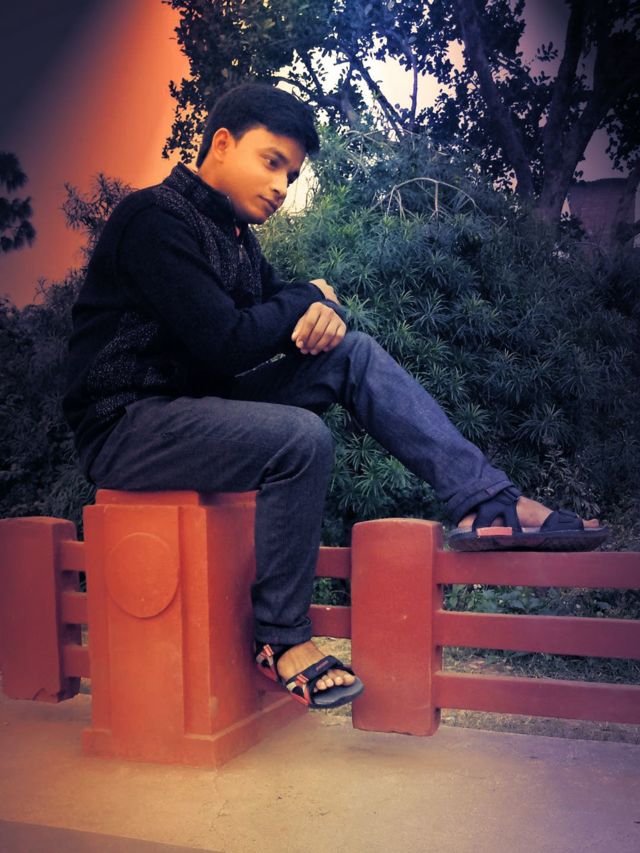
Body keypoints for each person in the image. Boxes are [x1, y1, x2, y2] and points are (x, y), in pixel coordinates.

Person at [62, 82, 608, 710]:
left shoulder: (238, 241)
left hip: (197, 409)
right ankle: (280, 637)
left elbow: (288, 314)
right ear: (222, 143)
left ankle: (486, 501)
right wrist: (309, 297)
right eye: (272, 162)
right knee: (298, 440)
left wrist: (323, 312)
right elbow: (227, 342)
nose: (281, 187)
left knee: (352, 353)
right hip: (125, 423)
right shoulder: (154, 219)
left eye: (291, 176)